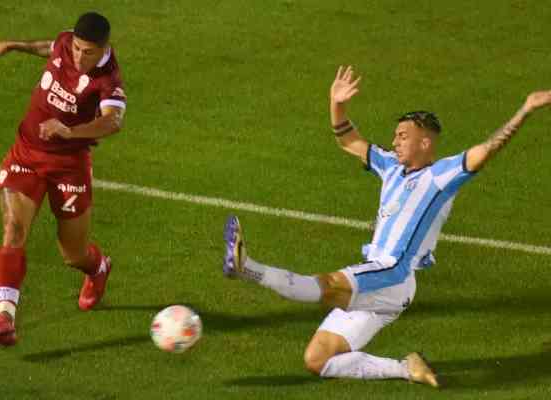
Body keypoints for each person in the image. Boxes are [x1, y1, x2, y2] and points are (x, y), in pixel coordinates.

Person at [222, 66, 551, 386]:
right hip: (381, 280)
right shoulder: (391, 167)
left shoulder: (440, 177)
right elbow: (348, 140)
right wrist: (337, 104)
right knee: (318, 360)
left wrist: (524, 110)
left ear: (425, 143)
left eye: (403, 136)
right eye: (395, 136)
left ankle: (246, 268)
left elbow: (489, 149)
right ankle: (407, 369)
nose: (395, 141)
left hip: (391, 273)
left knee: (327, 286)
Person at [0, 12, 127, 346]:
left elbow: (112, 122)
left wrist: (68, 131)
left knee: (73, 254)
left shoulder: (108, 79)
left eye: (87, 52)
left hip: (69, 166)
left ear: (103, 49)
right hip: (26, 154)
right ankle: (5, 319)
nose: (78, 56)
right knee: (13, 228)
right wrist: (11, 45)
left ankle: (98, 268)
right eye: (75, 48)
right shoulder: (65, 42)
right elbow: (50, 47)